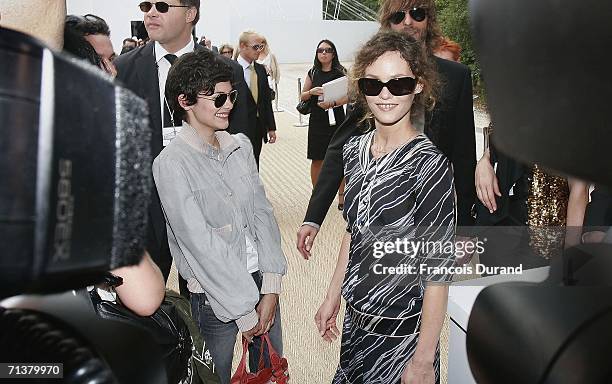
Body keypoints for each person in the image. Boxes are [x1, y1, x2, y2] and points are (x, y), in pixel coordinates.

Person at [316, 31, 455, 384]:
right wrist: (334, 294)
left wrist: (424, 360)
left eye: (399, 84)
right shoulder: (354, 151)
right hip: (354, 330)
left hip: (401, 341)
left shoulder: (429, 166)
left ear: (419, 85)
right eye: (373, 84)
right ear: (360, 88)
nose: (385, 95)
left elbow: (438, 274)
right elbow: (354, 230)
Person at [297, 0, 476, 259]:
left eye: (417, 13)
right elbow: (341, 146)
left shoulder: (456, 77)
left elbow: (463, 154)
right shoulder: (372, 77)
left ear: (429, 19)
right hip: (380, 216)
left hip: (434, 213)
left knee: (432, 291)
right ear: (386, 23)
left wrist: (465, 228)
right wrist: (313, 217)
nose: (408, 21)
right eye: (397, 16)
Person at [153, 49, 287, 384]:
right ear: (185, 100)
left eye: (231, 96)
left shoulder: (239, 146)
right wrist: (244, 310)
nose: (228, 104)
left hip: (261, 282)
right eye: (218, 98)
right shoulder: (171, 164)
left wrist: (271, 286)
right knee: (216, 379)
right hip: (214, 300)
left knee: (268, 374)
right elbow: (199, 244)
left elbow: (263, 216)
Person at [114, 0, 249, 296]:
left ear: (191, 13)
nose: (150, 12)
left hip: (208, 207)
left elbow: (241, 142)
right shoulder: (122, 69)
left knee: (212, 306)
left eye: (161, 5)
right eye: (146, 5)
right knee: (144, 307)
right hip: (145, 208)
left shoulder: (226, 70)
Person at [475, 122, 589, 268]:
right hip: (498, 225)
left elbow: (579, 189)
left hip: (543, 237)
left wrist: (571, 250)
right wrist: (485, 161)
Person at [299, 39, 348, 207]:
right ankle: (317, 196)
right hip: (318, 120)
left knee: (339, 158)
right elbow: (302, 96)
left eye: (328, 50)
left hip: (337, 119)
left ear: (333, 53)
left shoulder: (341, 72)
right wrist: (311, 92)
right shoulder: (313, 72)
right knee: (317, 158)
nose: (324, 53)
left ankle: (341, 196)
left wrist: (333, 103)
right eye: (320, 50)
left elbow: (350, 96)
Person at [230, 30, 277, 169]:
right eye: (256, 47)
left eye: (261, 47)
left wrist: (271, 127)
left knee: (254, 165)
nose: (259, 50)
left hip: (257, 128)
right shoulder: (229, 70)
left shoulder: (261, 70)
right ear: (243, 46)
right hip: (236, 128)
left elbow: (266, 102)